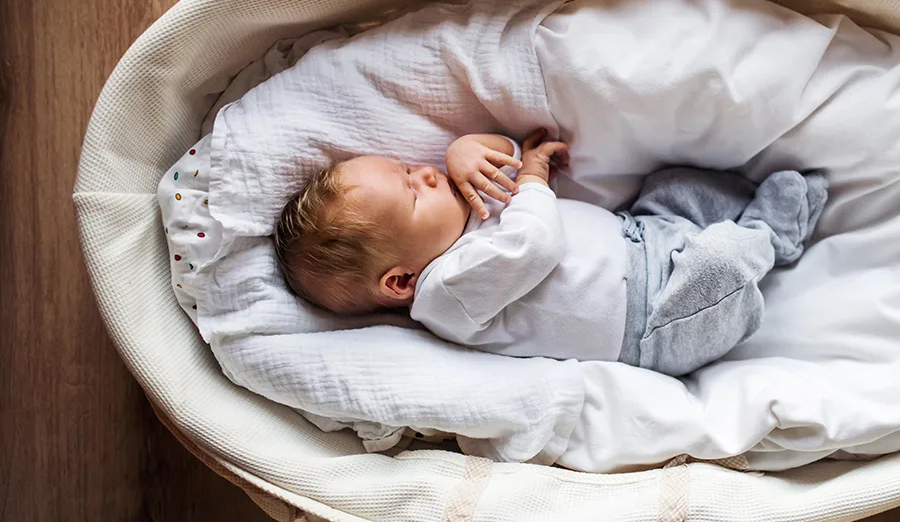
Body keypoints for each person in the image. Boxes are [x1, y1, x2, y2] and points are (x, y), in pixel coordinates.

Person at [274, 129, 826, 376]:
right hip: (659, 323)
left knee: (673, 183)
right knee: (720, 267)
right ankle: (770, 234)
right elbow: (536, 242)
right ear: (399, 282)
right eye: (413, 192)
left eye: (406, 168)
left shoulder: (467, 214)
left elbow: (510, 158)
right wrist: (534, 176)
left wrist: (467, 150)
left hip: (643, 232)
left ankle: (747, 215)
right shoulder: (445, 296)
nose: (424, 173)